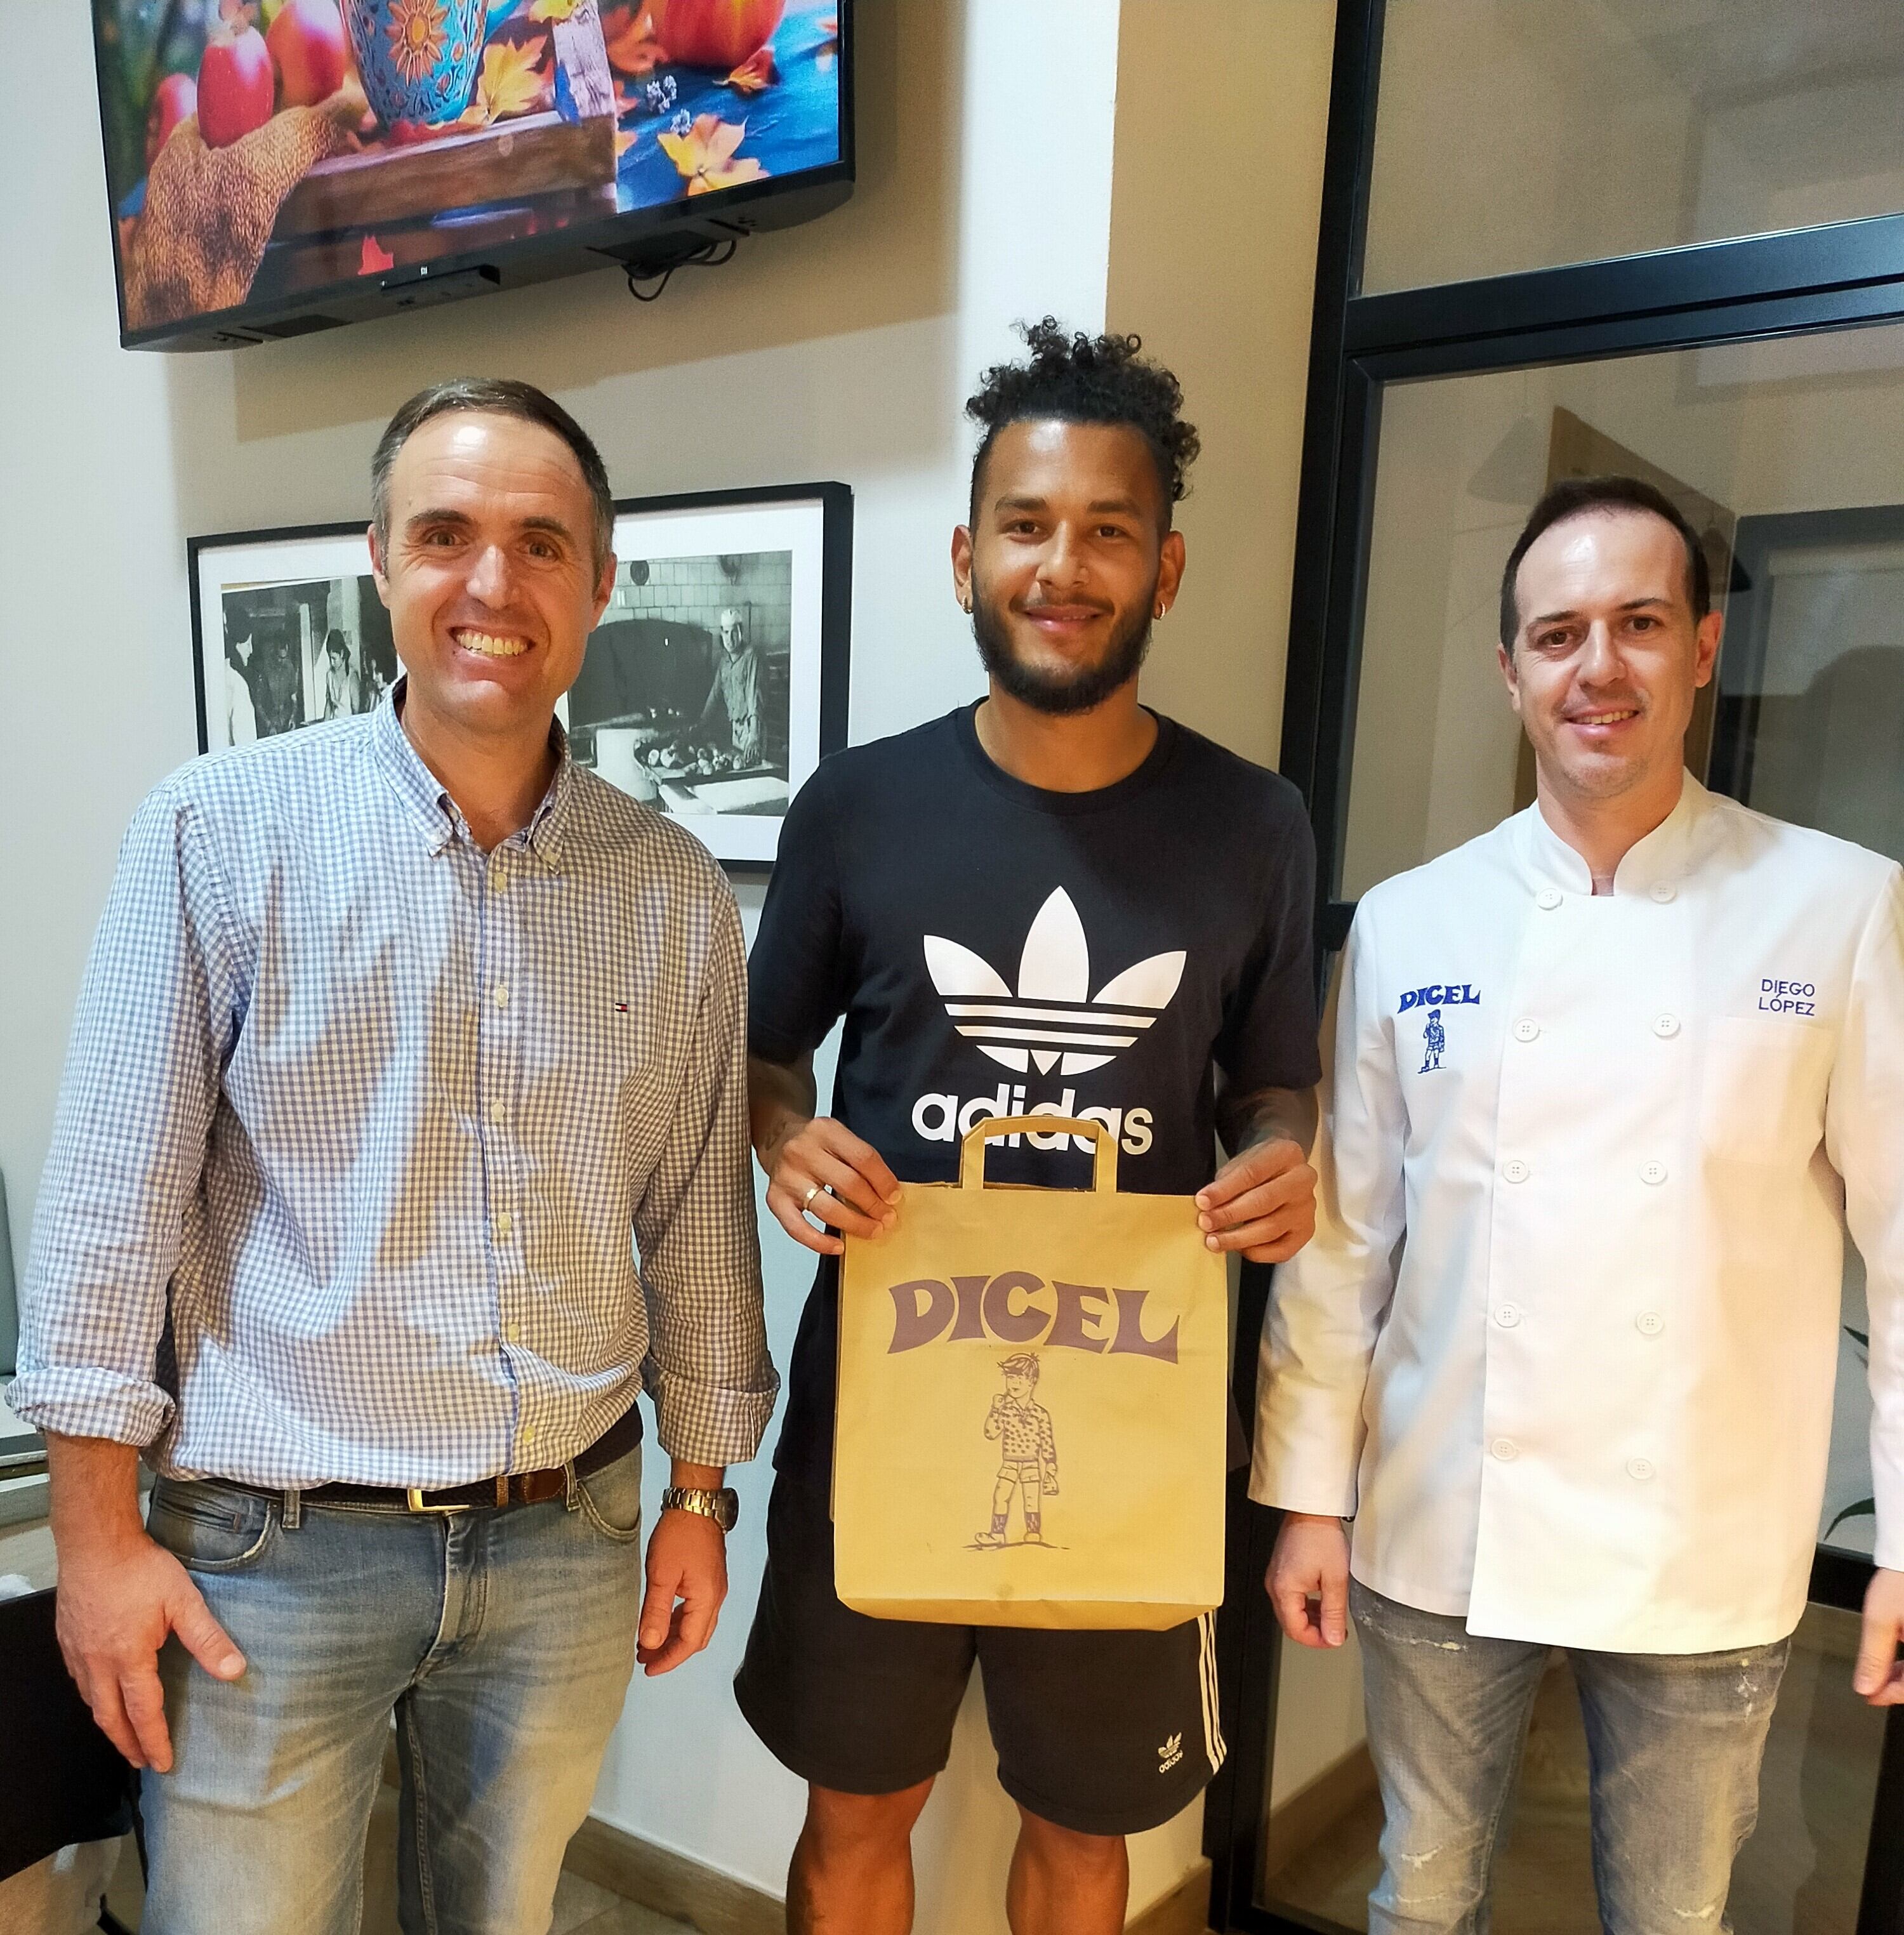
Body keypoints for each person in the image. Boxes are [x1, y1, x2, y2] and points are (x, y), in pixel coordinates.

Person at [10, 378, 777, 1935]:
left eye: (539, 543)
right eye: (446, 535)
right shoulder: (215, 832)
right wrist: (95, 1542)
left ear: (598, 582)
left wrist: (702, 1489)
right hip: (266, 1551)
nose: (491, 584)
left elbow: (699, 1213)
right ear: (380, 561)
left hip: (567, 1538)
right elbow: (106, 1214)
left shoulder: (672, 886)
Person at [1253, 475, 1904, 1934]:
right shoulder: (1414, 917)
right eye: (1556, 634)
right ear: (1509, 671)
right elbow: (1346, 1231)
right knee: (1417, 1896)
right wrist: (1306, 1492)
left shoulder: (1840, 907)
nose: (1594, 666)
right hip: (1439, 1510)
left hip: (1702, 1537)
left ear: (1700, 649)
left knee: (1670, 1917)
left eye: (1635, 624)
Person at [736, 319, 1324, 1935]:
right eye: (1025, 524)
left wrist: (1279, 1158)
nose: (1061, 565)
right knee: (858, 1808)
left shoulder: (1252, 822)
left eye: (1105, 531)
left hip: (1135, 1406)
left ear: (1165, 566)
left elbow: (1271, 1084)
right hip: (886, 1399)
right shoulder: (854, 807)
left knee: (1089, 1827)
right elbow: (760, 1059)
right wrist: (785, 1139)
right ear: (963, 554)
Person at [698, 604, 762, 767]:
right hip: (736, 731)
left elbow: (754, 697)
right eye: (726, 632)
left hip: (752, 729)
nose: (730, 638)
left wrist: (754, 736)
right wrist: (700, 726)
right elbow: (714, 695)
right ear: (722, 633)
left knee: (755, 775)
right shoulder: (724, 661)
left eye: (735, 632)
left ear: (742, 632)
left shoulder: (752, 656)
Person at [319, 624, 359, 719]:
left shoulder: (352, 676)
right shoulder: (330, 675)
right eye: (330, 658)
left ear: (341, 653)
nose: (332, 663)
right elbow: (329, 704)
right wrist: (325, 724)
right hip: (334, 723)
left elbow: (356, 711)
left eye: (334, 658)